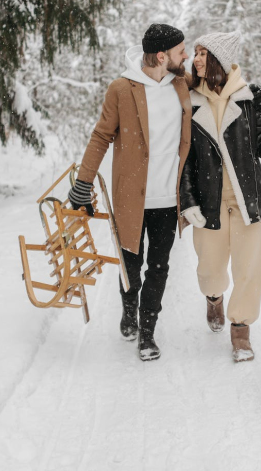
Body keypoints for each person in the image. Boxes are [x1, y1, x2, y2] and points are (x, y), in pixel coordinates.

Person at [179, 30, 261, 362]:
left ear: (218, 61)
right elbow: (184, 159)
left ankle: (240, 331)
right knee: (210, 270)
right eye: (194, 53)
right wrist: (189, 200)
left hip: (247, 200)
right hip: (208, 203)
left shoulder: (249, 100)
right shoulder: (189, 101)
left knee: (249, 269)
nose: (195, 59)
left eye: (202, 53)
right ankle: (213, 298)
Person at [68, 24, 192, 361]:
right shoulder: (121, 89)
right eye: (182, 51)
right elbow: (101, 136)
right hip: (130, 198)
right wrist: (83, 182)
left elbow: (217, 84)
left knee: (159, 266)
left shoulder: (182, 84)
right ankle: (128, 309)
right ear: (162, 55)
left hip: (168, 199)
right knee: (130, 265)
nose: (187, 56)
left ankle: (147, 331)